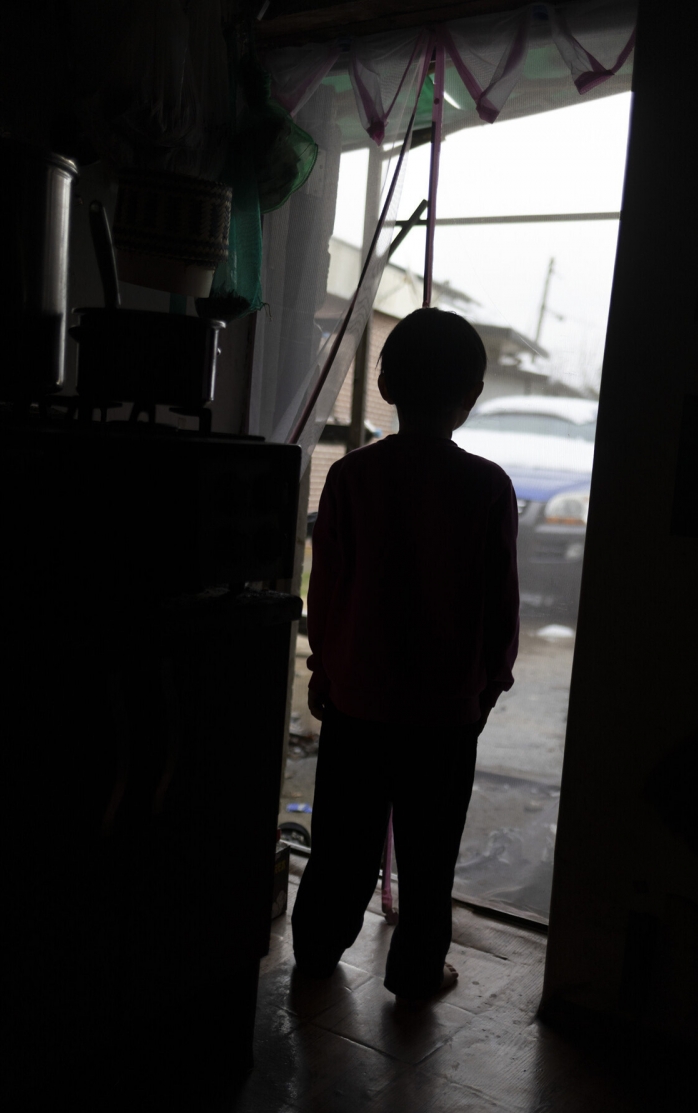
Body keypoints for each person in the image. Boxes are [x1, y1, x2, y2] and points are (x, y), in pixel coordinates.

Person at [291, 307, 520, 1003]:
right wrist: (488, 685)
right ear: (471, 396)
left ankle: (317, 950)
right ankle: (418, 972)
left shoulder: (351, 477)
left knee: (341, 843)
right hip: (445, 713)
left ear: (385, 385)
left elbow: (329, 588)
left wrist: (324, 668)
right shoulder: (487, 486)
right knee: (429, 855)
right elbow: (499, 603)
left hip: (358, 701)